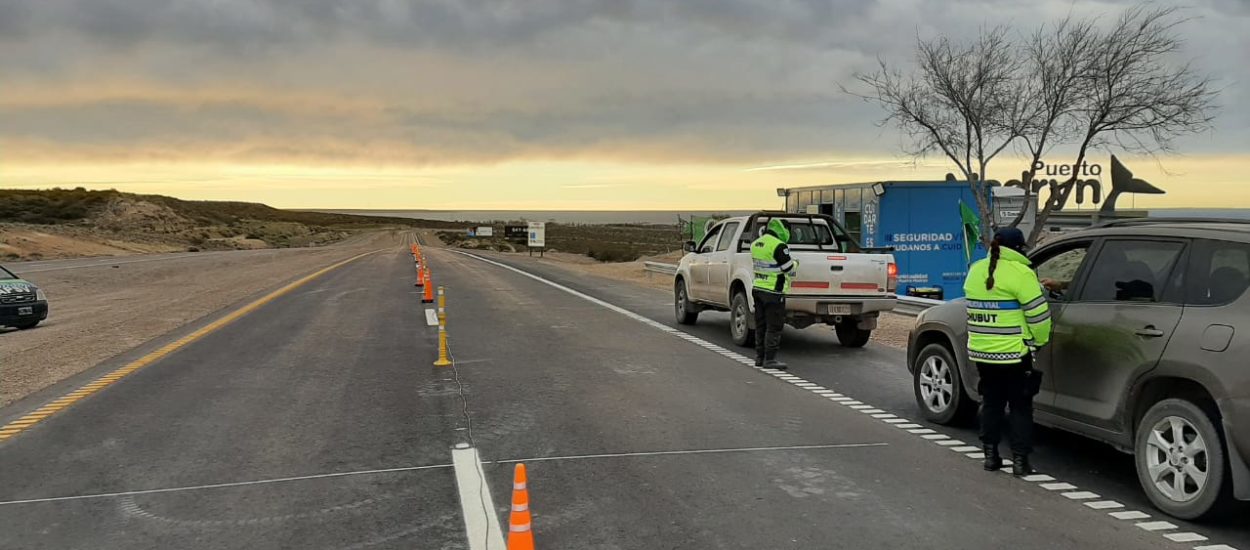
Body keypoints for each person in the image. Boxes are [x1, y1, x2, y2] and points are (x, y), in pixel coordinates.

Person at [963, 227, 1052, 476]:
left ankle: (991, 457)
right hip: (1014, 353)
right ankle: (1020, 462)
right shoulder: (1021, 273)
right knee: (1020, 406)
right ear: (1018, 248)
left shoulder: (975, 271)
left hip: (982, 352)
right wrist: (1038, 341)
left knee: (991, 402)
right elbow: (1039, 316)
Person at [751, 218, 798, 370]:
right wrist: (796, 263)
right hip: (773, 291)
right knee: (774, 326)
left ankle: (759, 357)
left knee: (761, 325)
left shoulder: (756, 244)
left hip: (758, 288)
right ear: (783, 230)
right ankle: (770, 359)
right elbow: (789, 269)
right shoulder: (779, 246)